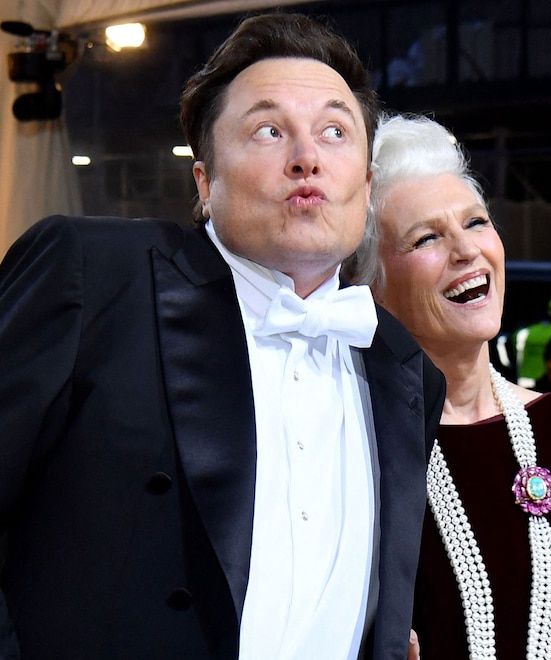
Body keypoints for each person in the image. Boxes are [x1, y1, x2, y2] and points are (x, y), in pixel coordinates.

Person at [0, 15, 445, 659]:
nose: (306, 156)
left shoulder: (405, 370)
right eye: (268, 130)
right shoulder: (92, 275)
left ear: (367, 186)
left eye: (334, 131)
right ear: (205, 181)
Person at [351, 114, 551, 659]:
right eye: (427, 237)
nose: (466, 250)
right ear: (371, 286)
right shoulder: (353, 452)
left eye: (475, 222)